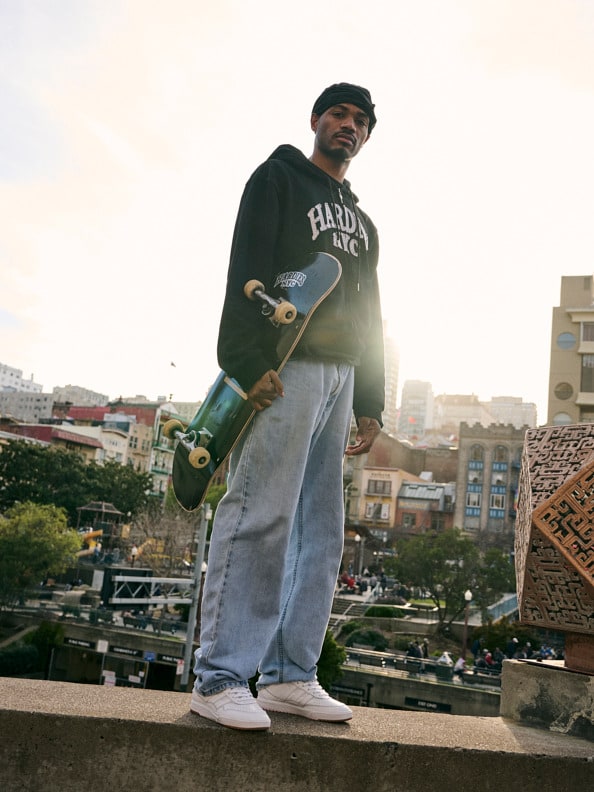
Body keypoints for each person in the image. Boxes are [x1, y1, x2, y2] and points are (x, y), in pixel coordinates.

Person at [190, 83, 384, 731]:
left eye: (360, 121)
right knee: (261, 513)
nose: (348, 125)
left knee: (321, 532)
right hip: (287, 363)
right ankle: (220, 677)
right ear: (316, 120)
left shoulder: (364, 225)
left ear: (366, 136)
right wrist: (248, 365)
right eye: (339, 114)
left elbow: (373, 313)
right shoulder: (277, 179)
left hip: (343, 376)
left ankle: (289, 675)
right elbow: (243, 266)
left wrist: (371, 399)